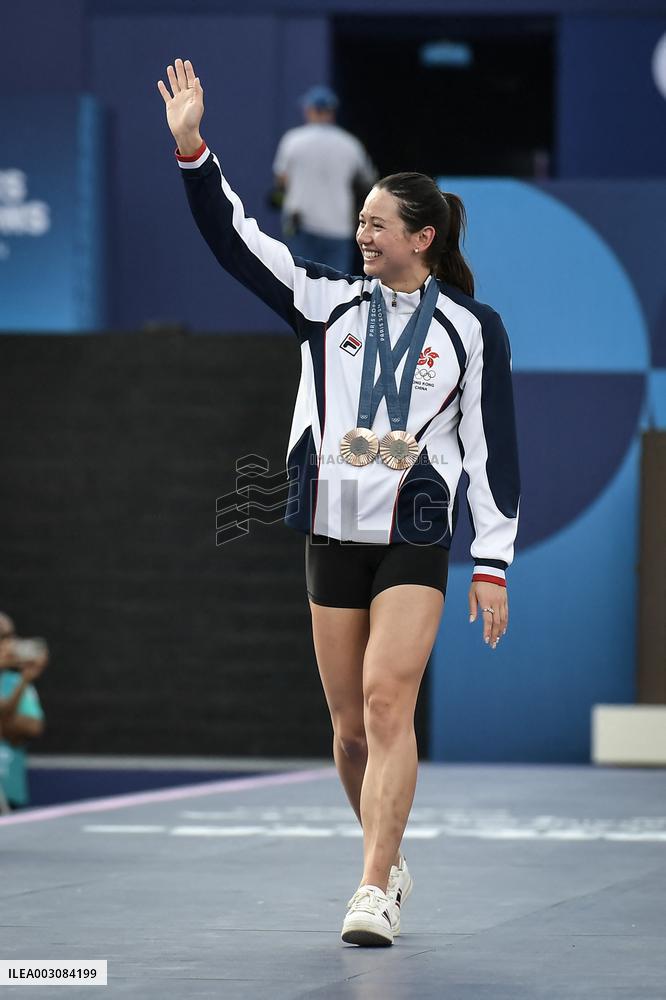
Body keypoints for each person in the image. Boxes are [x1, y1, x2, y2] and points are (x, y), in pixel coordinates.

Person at [158, 59, 520, 947]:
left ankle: (371, 889)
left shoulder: (473, 329)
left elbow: (491, 450)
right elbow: (236, 240)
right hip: (330, 526)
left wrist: (492, 563)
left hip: (415, 529)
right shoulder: (323, 301)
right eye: (358, 222)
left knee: (389, 702)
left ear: (422, 238)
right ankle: (387, 856)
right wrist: (193, 148)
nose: (361, 234)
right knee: (352, 731)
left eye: (376, 224)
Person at [272, 84, 377, 273]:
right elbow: (369, 182)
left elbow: (281, 180)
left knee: (299, 283)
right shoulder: (350, 144)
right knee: (336, 286)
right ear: (331, 112)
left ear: (310, 110)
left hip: (302, 225)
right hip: (338, 227)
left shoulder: (293, 140)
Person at [0, 613, 47, 811]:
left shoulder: (16, 683)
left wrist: (25, 679)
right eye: (2, 638)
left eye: (10, 637)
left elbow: (31, 728)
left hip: (7, 790)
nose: (9, 645)